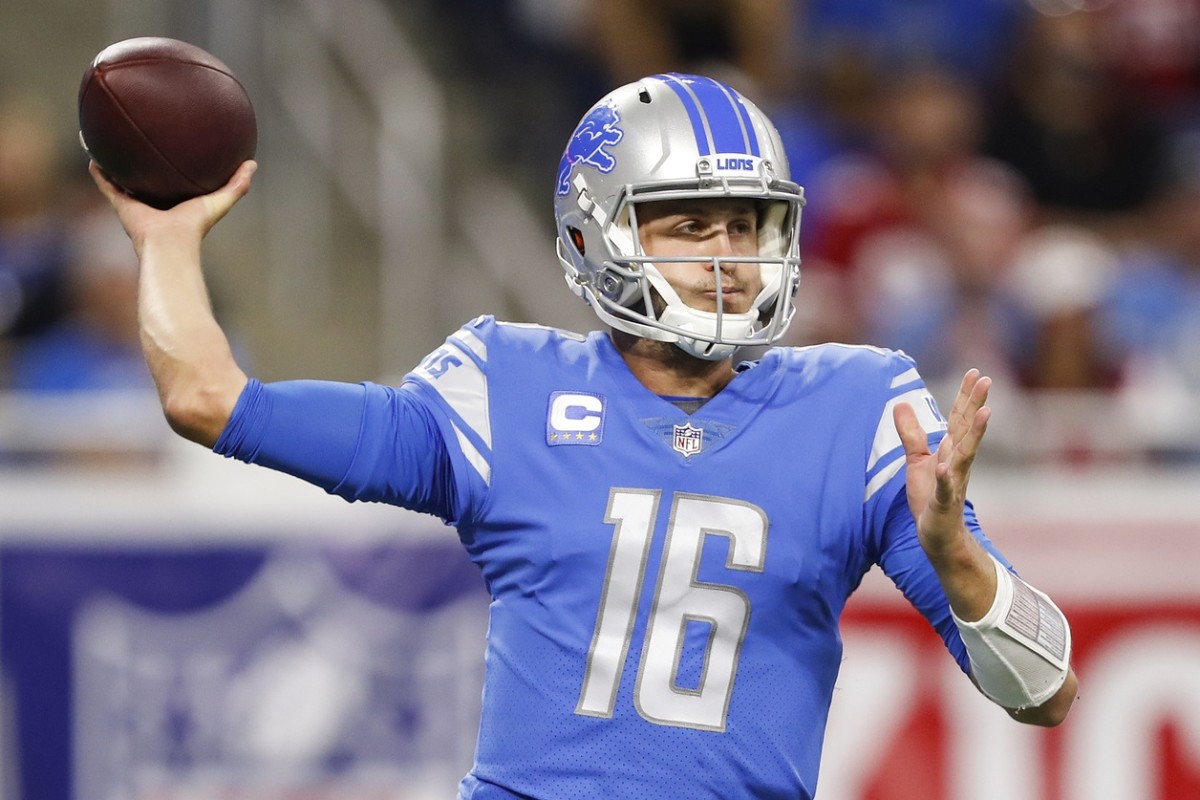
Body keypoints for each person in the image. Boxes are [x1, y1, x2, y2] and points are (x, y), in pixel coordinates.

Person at [90, 73, 1077, 800]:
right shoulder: (503, 388)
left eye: (746, 224)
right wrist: (169, 243)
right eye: (687, 226)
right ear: (588, 239)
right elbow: (209, 397)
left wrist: (958, 560)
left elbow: (1045, 691)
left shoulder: (861, 404)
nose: (726, 258)